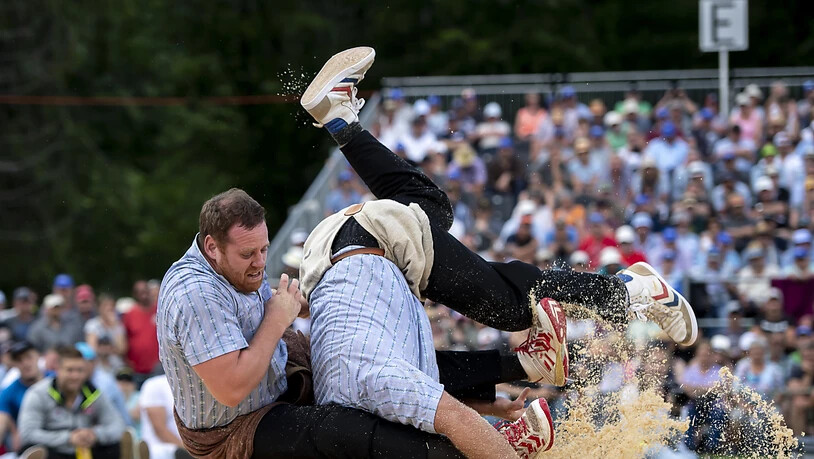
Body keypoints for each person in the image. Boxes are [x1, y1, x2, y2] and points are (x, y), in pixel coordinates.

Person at [300, 47, 698, 457]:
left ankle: (632, 291)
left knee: (512, 308)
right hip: (332, 254)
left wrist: (500, 445)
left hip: (368, 245)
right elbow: (434, 376)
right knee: (431, 207)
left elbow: (445, 415)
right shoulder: (357, 405)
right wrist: (505, 382)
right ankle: (341, 122)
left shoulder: (371, 397)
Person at [18, 346, 125, 459]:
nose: (75, 376)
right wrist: (68, 438)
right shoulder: (38, 394)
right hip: (55, 451)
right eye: (70, 370)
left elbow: (118, 425)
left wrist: (95, 435)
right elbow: (28, 434)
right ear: (58, 369)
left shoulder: (93, 393)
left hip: (85, 450)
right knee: (34, 450)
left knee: (114, 446)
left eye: (80, 370)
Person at [0, 342, 43, 454]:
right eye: (19, 360)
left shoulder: (55, 381)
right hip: (27, 444)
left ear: (38, 356)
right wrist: (14, 430)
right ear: (14, 364)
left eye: (29, 357)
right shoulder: (9, 391)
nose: (25, 363)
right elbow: (2, 420)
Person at [139, 373, 193, 459]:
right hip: (164, 451)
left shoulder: (194, 382)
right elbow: (160, 430)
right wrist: (192, 453)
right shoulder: (155, 384)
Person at [123, 280, 159, 384]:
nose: (143, 295)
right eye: (139, 292)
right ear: (135, 295)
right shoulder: (130, 314)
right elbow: (125, 338)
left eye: (145, 291)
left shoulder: (160, 310)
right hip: (137, 370)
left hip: (158, 368)